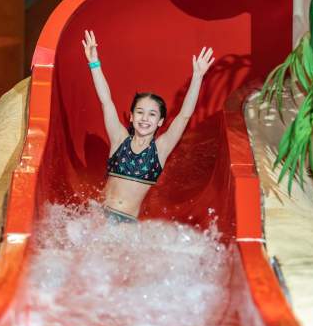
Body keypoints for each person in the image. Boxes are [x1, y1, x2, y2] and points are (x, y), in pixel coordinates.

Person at [82, 30, 214, 223]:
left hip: (125, 223)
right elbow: (106, 101)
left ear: (160, 122)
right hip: (98, 216)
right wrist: (94, 63)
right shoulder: (119, 139)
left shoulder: (159, 150)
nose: (145, 118)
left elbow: (184, 116)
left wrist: (198, 76)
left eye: (152, 114)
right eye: (140, 112)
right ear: (132, 116)